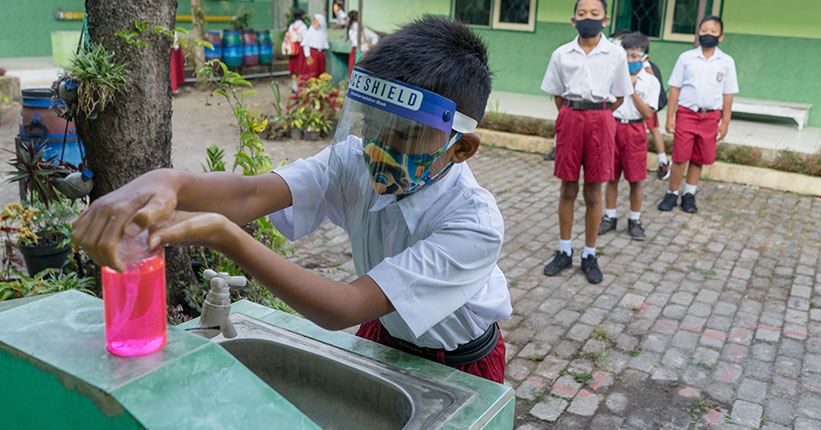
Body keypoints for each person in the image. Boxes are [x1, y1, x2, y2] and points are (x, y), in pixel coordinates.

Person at [72, 17, 511, 384]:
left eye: (403, 135)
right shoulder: (352, 161)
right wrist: (168, 181)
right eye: (372, 126)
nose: (376, 146)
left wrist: (226, 236)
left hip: (461, 360)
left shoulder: (473, 224)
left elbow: (345, 306)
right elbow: (252, 192)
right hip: (385, 335)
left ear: (461, 148)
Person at [539, 0, 633, 284]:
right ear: (573, 20)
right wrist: (573, 115)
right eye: (582, 14)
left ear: (605, 20)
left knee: (594, 191)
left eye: (594, 14)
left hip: (601, 121)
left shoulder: (616, 54)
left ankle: (589, 254)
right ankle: (565, 250)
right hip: (570, 118)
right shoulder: (561, 54)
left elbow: (619, 95)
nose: (588, 18)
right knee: (567, 187)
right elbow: (557, 94)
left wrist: (596, 116)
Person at [657, 15, 738, 213]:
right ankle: (672, 192)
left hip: (710, 116)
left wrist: (725, 122)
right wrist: (670, 117)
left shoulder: (726, 62)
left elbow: (728, 94)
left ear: (721, 37)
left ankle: (689, 194)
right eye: (704, 31)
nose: (707, 34)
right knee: (680, 156)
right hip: (687, 113)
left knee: (699, 157)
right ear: (697, 33)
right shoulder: (686, 58)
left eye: (713, 32)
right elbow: (675, 88)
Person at [598, 32, 660, 241]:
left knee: (635, 179)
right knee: (611, 177)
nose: (631, 60)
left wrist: (631, 90)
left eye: (635, 56)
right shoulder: (613, 77)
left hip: (635, 131)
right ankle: (610, 216)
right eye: (627, 56)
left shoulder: (651, 82)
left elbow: (648, 113)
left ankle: (635, 219)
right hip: (614, 128)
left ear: (645, 58)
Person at [347, 10, 379, 76]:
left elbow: (356, 44)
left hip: (356, 52)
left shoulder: (351, 31)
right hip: (366, 53)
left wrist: (365, 48)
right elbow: (375, 36)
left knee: (354, 73)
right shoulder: (364, 29)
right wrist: (372, 47)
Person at [300, 14, 329, 80]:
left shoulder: (323, 32)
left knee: (321, 72)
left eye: (316, 21)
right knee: (312, 72)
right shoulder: (310, 32)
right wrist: (308, 55)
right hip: (312, 54)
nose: (314, 23)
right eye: (314, 21)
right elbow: (306, 44)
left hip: (321, 54)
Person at [285, 8, 308, 91]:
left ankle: (294, 87)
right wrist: (307, 54)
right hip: (300, 49)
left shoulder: (291, 26)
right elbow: (305, 40)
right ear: (302, 16)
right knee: (301, 69)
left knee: (293, 69)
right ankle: (299, 87)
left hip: (292, 49)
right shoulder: (303, 27)